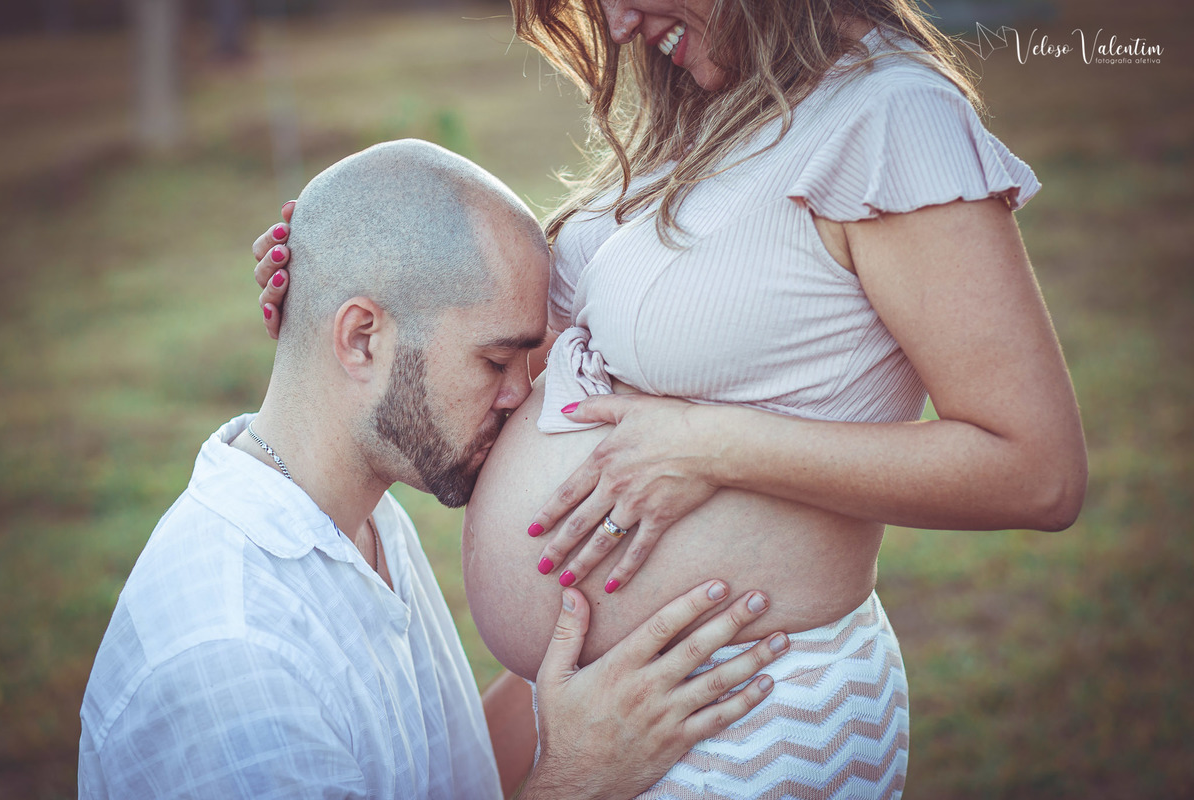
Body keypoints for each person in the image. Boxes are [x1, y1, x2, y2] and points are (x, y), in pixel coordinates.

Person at [252, 1, 1089, 796]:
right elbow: (565, 334)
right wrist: (354, 285)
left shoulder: (889, 118)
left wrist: (709, 446)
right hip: (607, 692)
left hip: (745, 707)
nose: (614, 24)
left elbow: (1036, 471)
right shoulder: (711, 113)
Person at [78, 140, 792, 800]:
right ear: (361, 339)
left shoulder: (356, 515)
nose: (521, 397)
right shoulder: (231, 658)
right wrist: (578, 779)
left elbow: (430, 776)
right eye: (494, 362)